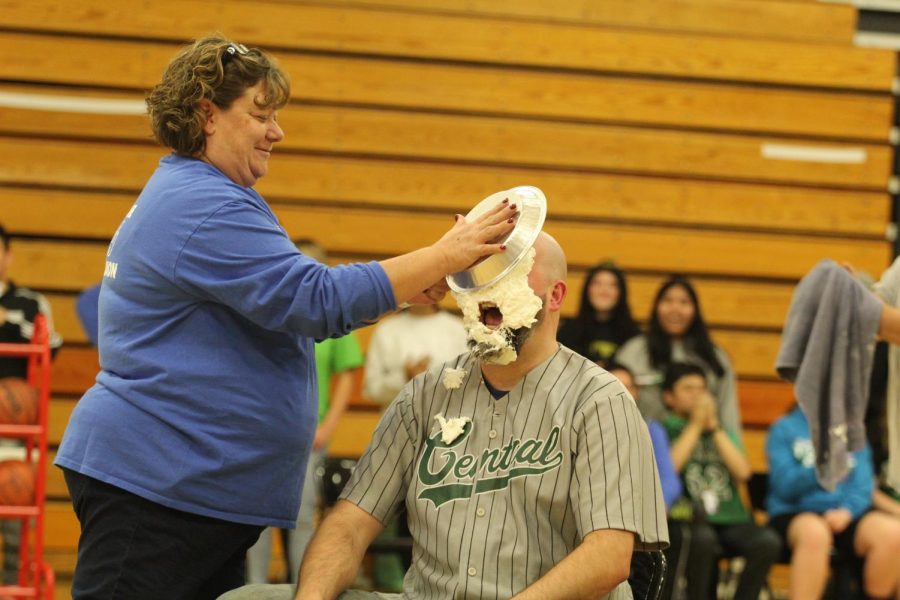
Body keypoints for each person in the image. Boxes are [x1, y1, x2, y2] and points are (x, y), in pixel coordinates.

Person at [53, 35, 517, 600]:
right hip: (158, 489)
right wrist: (450, 251)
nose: (277, 132)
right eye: (260, 114)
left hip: (186, 489)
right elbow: (315, 299)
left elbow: (278, 305)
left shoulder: (201, 193)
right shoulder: (205, 204)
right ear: (207, 115)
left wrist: (403, 289)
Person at [221, 232, 669, 600]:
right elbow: (350, 524)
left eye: (510, 274)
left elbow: (609, 557)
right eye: (481, 276)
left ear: (555, 296)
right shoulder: (425, 394)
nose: (489, 288)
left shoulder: (600, 399)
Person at [246, 240, 365, 584]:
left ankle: (304, 585)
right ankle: (254, 587)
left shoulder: (332, 317)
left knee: (301, 514)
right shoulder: (275, 313)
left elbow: (346, 374)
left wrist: (327, 427)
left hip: (310, 438)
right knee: (256, 516)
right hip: (266, 435)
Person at [362, 302, 467, 590]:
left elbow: (472, 383)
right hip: (396, 434)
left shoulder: (457, 329)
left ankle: (444, 582)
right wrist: (404, 377)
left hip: (449, 438)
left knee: (442, 512)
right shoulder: (388, 331)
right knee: (386, 510)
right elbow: (371, 387)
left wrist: (430, 380)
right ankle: (389, 584)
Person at [660, 363, 779, 600]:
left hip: (731, 517)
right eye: (688, 389)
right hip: (690, 516)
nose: (698, 395)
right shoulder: (663, 428)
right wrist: (694, 426)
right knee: (704, 541)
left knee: (768, 542)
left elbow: (743, 472)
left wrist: (713, 427)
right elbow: (669, 469)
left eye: (702, 389)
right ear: (669, 397)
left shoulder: (720, 430)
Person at [766, 404, 900, 600]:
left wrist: (847, 511)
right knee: (815, 534)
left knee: (893, 533)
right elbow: (784, 487)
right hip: (796, 511)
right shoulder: (785, 428)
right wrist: (823, 468)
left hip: (847, 513)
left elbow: (863, 487)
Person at [0, 224, 62, 586]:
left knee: (15, 548)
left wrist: (7, 321)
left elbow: (49, 345)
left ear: (9, 255)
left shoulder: (29, 304)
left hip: (16, 445)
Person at [615, 275, 741, 436]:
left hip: (700, 449)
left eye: (684, 302)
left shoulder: (714, 357)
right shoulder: (633, 352)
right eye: (667, 301)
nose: (675, 309)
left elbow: (728, 412)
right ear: (656, 306)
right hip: (641, 440)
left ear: (695, 309)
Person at [557, 262, 640, 367]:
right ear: (587, 290)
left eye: (613, 285)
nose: (604, 291)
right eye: (597, 284)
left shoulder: (633, 335)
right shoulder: (569, 330)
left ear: (621, 293)